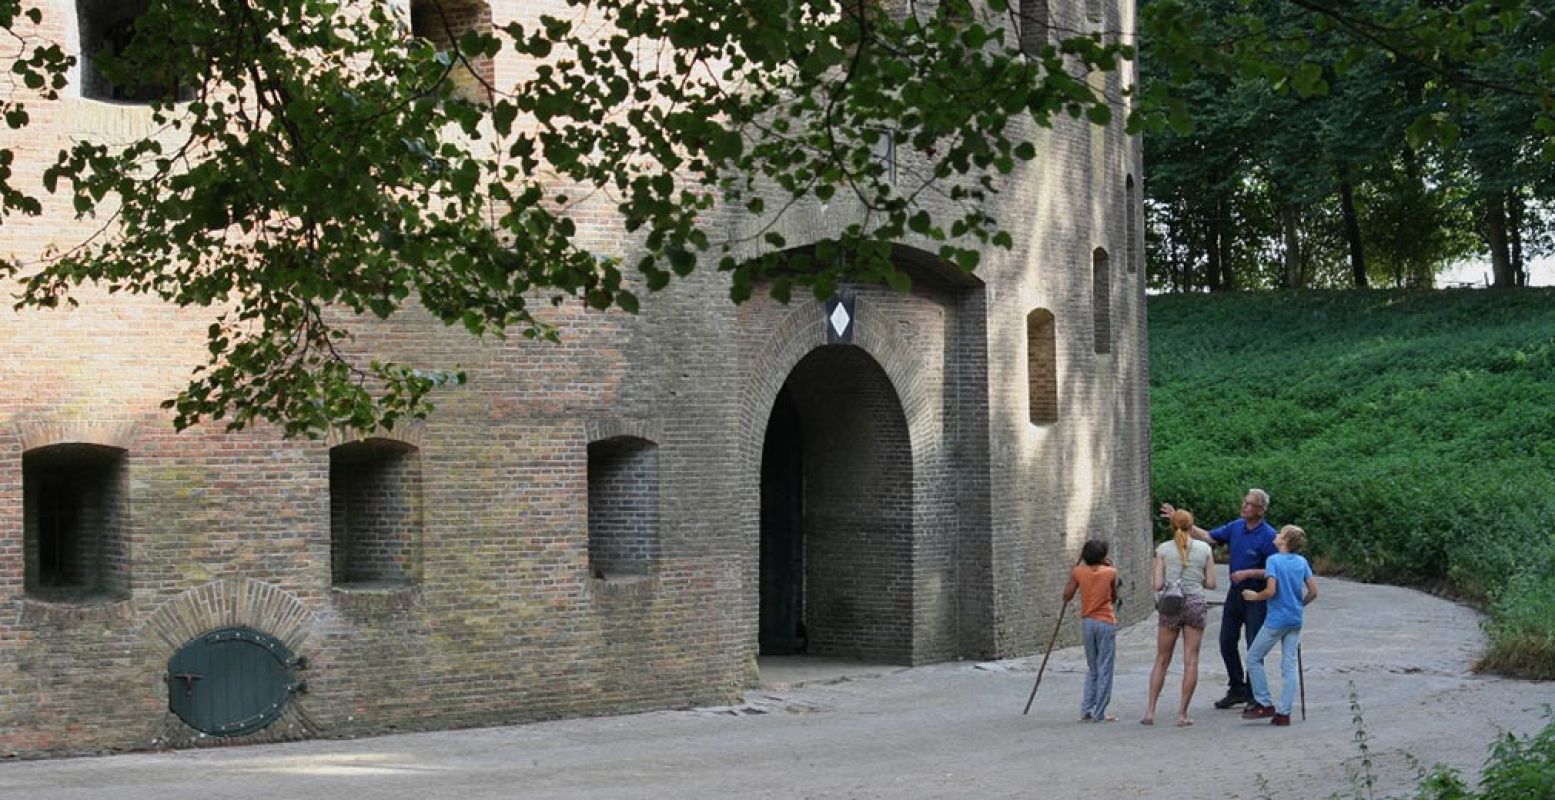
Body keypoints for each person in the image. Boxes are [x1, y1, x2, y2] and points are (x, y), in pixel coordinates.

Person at [1159, 489, 1278, 709]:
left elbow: (1276, 569)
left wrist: (1249, 573)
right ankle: (1237, 688)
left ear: (1261, 510)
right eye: (1245, 502)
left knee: (1254, 645)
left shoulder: (1270, 536)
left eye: (1250, 504)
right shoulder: (1236, 526)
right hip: (1235, 594)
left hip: (1257, 596)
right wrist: (1181, 521)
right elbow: (1209, 537)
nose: (1244, 506)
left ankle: (1254, 695)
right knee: (1226, 641)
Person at [1141, 509, 1216, 727]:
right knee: (1190, 660)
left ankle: (1150, 711)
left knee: (1162, 659)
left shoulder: (1163, 550)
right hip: (1195, 603)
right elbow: (1211, 583)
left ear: (1172, 526)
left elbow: (1156, 585)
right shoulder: (1205, 549)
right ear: (1192, 526)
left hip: (1171, 604)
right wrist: (1195, 580)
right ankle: (1182, 713)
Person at [1240, 525, 1318, 726]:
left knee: (1254, 657)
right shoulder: (1301, 562)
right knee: (1289, 665)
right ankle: (1284, 712)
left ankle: (1264, 703)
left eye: (1280, 534)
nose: (1276, 535)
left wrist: (1255, 596)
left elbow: (1271, 590)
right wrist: (1299, 604)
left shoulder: (1273, 560)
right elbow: (1313, 591)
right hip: (1295, 619)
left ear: (1285, 541)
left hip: (1276, 620)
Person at [1062, 539, 1119, 722]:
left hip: (1088, 623)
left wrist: (1073, 574)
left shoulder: (1078, 572)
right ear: (1103, 557)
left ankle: (1086, 709)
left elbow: (1067, 596)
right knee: (1105, 668)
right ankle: (1099, 712)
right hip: (1105, 622)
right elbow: (1114, 596)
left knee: (1093, 668)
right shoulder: (1111, 572)